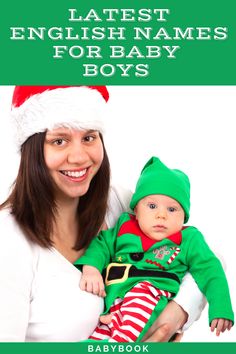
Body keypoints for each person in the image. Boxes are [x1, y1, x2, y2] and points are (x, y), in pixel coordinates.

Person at [0, 85, 204, 342]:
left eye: (89, 137)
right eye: (59, 141)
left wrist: (177, 313)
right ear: (32, 150)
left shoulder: (116, 202)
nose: (78, 156)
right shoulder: (7, 241)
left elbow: (204, 254)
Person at [77, 156, 234, 342]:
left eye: (172, 209)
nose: (161, 215)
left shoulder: (188, 238)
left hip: (152, 295)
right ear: (136, 210)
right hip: (116, 301)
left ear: (184, 216)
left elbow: (210, 269)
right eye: (152, 206)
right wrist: (91, 268)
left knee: (138, 303)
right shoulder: (124, 226)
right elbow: (101, 244)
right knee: (100, 335)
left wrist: (221, 307)